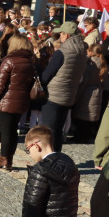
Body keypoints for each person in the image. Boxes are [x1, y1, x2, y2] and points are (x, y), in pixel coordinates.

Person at [20, 125, 79, 217]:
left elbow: (31, 209)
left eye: (28, 149)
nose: (29, 154)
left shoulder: (40, 170)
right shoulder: (69, 163)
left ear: (36, 146)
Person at [0, 34, 36, 170]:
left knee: (6, 131)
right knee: (13, 131)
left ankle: (4, 159)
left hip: (7, 101)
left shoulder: (9, 61)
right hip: (21, 101)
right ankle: (9, 159)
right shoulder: (30, 61)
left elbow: (0, 84)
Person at [39, 21, 87, 152]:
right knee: (58, 131)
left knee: (48, 131)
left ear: (67, 35)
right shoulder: (83, 51)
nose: (60, 35)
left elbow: (47, 74)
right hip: (69, 95)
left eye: (61, 33)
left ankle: (48, 160)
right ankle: (56, 156)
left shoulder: (63, 51)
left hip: (54, 95)